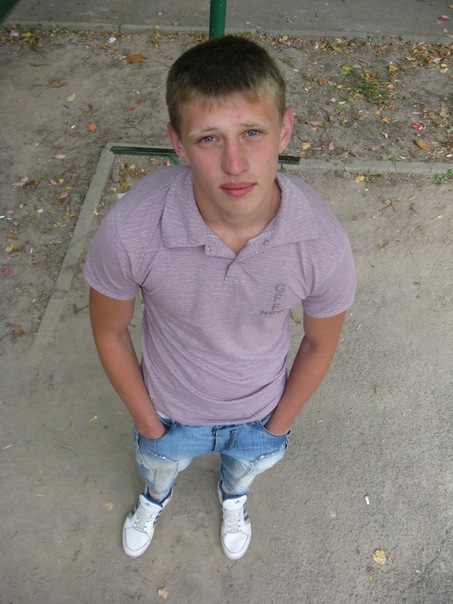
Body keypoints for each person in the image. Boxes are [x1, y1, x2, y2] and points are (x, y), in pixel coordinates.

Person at [84, 35, 356, 561]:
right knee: (159, 468)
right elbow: (109, 331)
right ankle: (155, 496)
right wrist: (149, 425)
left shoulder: (321, 242)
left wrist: (277, 427)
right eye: (209, 138)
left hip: (260, 413)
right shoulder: (132, 229)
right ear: (178, 143)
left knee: (243, 473)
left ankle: (234, 497)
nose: (235, 163)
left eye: (252, 132)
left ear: (285, 130)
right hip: (167, 411)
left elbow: (320, 343)